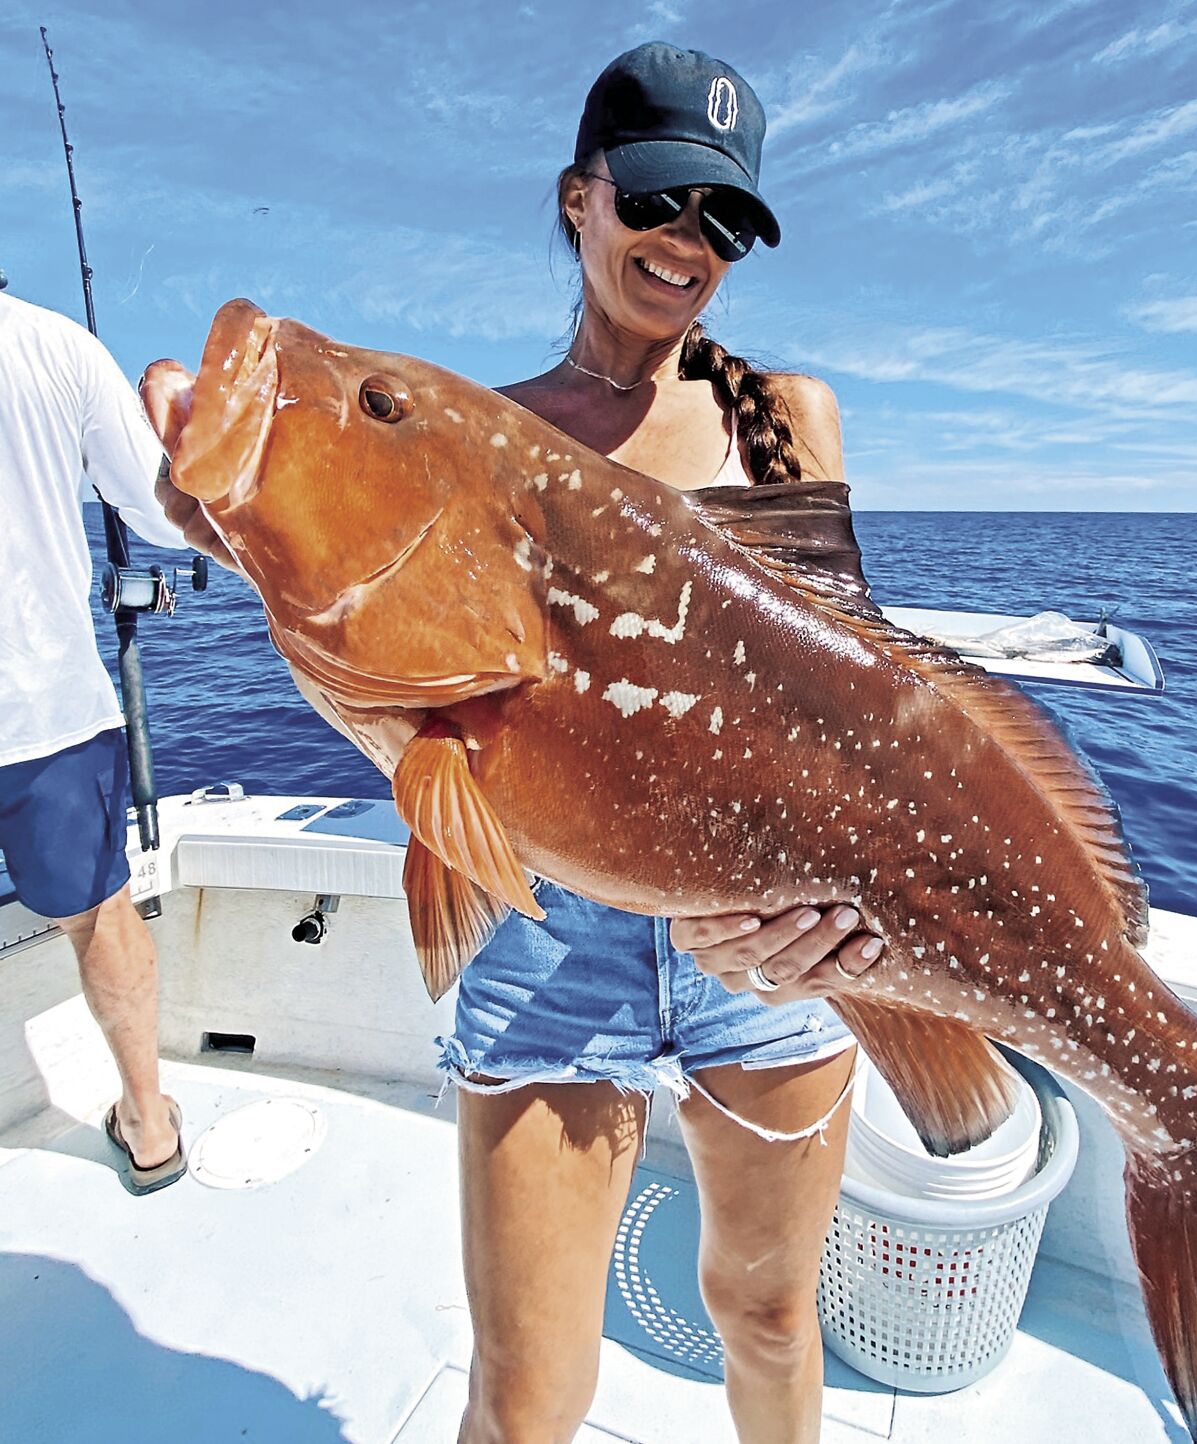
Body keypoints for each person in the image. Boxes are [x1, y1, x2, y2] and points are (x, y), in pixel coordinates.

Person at [435, 44, 883, 1444]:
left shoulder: (789, 416)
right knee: (521, 1398)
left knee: (766, 1318)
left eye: (724, 221)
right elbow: (443, 704)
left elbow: (852, 695)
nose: (687, 244)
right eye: (658, 201)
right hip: (549, 933)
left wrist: (840, 911)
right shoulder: (482, 435)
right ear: (578, 198)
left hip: (763, 944)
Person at [0, 277, 190, 1195]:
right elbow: (161, 509)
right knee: (99, 915)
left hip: (50, 711)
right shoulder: (57, 348)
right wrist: (179, 423)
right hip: (47, 710)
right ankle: (150, 1126)